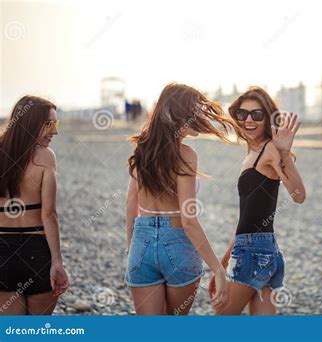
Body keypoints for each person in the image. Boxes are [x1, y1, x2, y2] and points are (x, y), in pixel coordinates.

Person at [125, 83, 237, 315]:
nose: (200, 115)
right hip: (177, 244)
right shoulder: (185, 155)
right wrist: (217, 269)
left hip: (141, 242)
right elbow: (189, 221)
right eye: (195, 110)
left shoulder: (142, 150)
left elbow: (130, 204)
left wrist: (133, 248)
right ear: (180, 114)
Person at [210, 86, 306, 315]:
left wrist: (284, 154)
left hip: (254, 252)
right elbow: (247, 218)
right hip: (262, 249)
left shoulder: (270, 149)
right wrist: (222, 267)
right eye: (242, 114)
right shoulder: (251, 152)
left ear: (268, 117)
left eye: (257, 114)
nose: (248, 120)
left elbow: (299, 195)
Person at [0, 95, 68, 315]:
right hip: (36, 251)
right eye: (49, 124)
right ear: (29, 122)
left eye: (56, 124)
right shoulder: (46, 157)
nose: (54, 131)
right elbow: (49, 214)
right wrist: (57, 262)